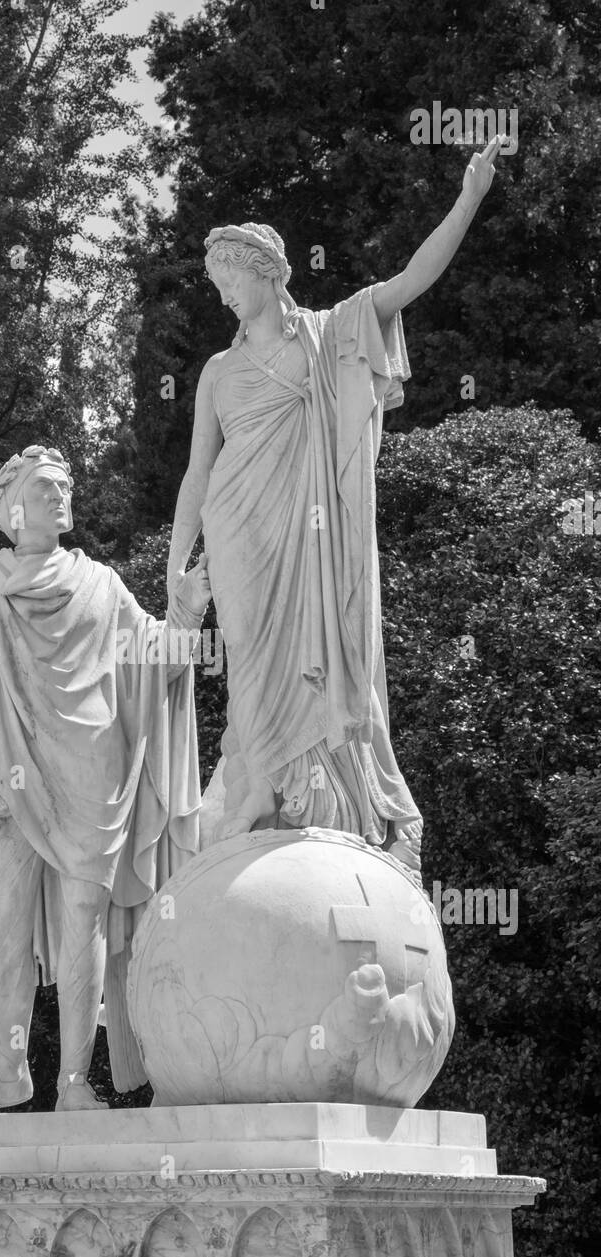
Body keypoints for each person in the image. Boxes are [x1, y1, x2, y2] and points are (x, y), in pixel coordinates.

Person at [167, 137, 504, 870]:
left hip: (312, 532)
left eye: (229, 276)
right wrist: (175, 562)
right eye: (215, 280)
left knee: (326, 656)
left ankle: (326, 804)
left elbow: (408, 282)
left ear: (267, 273)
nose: (221, 291)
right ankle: (261, 800)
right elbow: (197, 474)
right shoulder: (217, 372)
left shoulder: (326, 336)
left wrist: (469, 197)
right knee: (253, 668)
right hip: (239, 535)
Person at [0, 445, 210, 1114]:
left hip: (94, 773)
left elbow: (159, 665)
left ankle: (71, 1086)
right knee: (7, 931)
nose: (58, 497)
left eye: (63, 486)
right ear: (11, 510)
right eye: (43, 488)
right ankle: (9, 1072)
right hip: (7, 779)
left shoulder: (102, 584)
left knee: (83, 921)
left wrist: (191, 613)